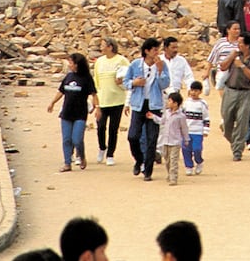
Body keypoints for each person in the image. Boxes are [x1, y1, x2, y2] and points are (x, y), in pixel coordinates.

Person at [125, 38, 170, 181]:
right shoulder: (135, 65)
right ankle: (139, 160)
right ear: (147, 51)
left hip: (154, 105)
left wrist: (161, 70)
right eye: (155, 50)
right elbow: (126, 83)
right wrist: (134, 83)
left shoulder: (161, 65)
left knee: (152, 139)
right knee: (133, 136)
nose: (158, 53)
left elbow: (165, 84)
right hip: (139, 105)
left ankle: (148, 170)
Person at [47, 52, 98, 172]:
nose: (69, 65)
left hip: (80, 113)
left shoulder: (86, 78)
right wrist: (52, 102)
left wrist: (97, 107)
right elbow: (61, 91)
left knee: (77, 139)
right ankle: (67, 163)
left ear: (77, 64)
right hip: (66, 112)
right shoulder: (68, 77)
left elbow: (94, 94)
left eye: (71, 62)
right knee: (66, 139)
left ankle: (81, 155)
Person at [219, 33, 250, 162]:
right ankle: (235, 141)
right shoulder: (235, 55)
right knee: (226, 121)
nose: (238, 45)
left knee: (242, 121)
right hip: (230, 90)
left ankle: (237, 151)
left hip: (245, 93)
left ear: (248, 46)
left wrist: (242, 66)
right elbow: (222, 66)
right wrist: (232, 56)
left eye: (241, 43)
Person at [92, 37, 129, 165]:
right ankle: (102, 147)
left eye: (103, 45)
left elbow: (128, 77)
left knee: (113, 128)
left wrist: (122, 82)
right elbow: (96, 81)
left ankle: (110, 154)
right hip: (102, 100)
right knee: (100, 126)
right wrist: (95, 98)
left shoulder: (122, 60)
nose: (101, 48)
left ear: (110, 47)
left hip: (117, 99)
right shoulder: (99, 62)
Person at [180, 80, 210, 176]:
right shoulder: (186, 103)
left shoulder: (202, 104)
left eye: (196, 91)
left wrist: (205, 130)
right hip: (186, 131)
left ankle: (199, 161)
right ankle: (188, 166)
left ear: (200, 92)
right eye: (192, 90)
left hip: (197, 131)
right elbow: (181, 116)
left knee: (197, 149)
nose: (193, 93)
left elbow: (206, 118)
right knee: (186, 149)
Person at [159, 91, 188, 185]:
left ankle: (173, 178)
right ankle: (169, 174)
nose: (168, 102)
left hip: (175, 142)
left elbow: (184, 128)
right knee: (167, 160)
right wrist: (153, 117)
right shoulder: (166, 113)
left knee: (174, 160)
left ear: (175, 103)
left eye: (170, 101)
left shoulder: (181, 116)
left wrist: (186, 139)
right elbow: (161, 121)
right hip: (165, 141)